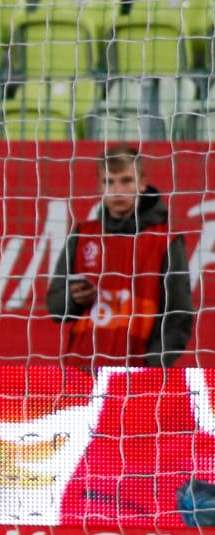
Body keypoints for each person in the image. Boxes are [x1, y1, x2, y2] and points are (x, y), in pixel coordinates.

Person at [47, 143, 194, 372]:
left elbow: (179, 317)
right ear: (99, 186)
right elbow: (56, 308)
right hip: (81, 373)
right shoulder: (82, 234)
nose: (117, 190)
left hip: (135, 376)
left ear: (142, 183)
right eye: (109, 182)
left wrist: (150, 369)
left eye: (126, 181)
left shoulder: (166, 241)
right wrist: (75, 299)